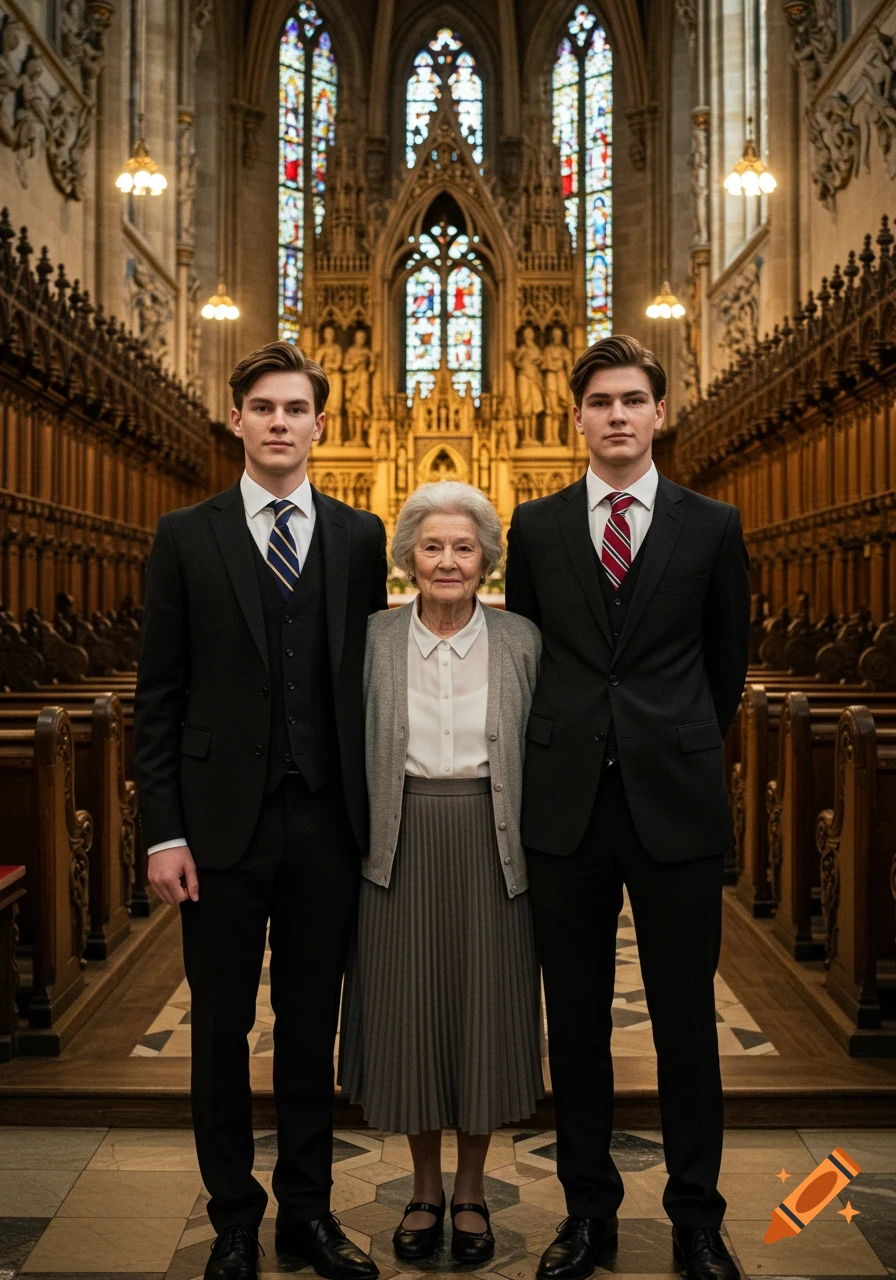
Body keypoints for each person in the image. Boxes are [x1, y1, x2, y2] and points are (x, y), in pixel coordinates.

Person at [134, 341, 386, 1280]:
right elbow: (157, 694)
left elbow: (365, 682)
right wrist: (163, 829)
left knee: (313, 1024)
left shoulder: (360, 538)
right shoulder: (185, 535)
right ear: (235, 420)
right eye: (264, 408)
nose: (281, 422)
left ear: (322, 423)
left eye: (297, 408)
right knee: (221, 1029)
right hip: (217, 828)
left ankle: (307, 1216)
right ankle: (235, 1217)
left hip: (326, 822)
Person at [506, 334, 750, 1280]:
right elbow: (531, 655)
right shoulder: (537, 525)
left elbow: (723, 664)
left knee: (686, 1017)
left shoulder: (712, 524)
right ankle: (587, 1214)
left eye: (633, 399)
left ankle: (697, 1217)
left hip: (674, 803)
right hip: (566, 805)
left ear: (658, 414)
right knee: (575, 1020)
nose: (616, 415)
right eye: (600, 401)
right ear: (578, 417)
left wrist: (671, 736)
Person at [340, 481, 544, 1266]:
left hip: (495, 846)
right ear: (408, 558)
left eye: (465, 547)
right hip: (399, 843)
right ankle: (423, 1186)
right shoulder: (372, 641)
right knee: (411, 1017)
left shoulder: (524, 640)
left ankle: (471, 1188)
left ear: (488, 559)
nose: (448, 561)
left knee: (485, 1018)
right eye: (432, 546)